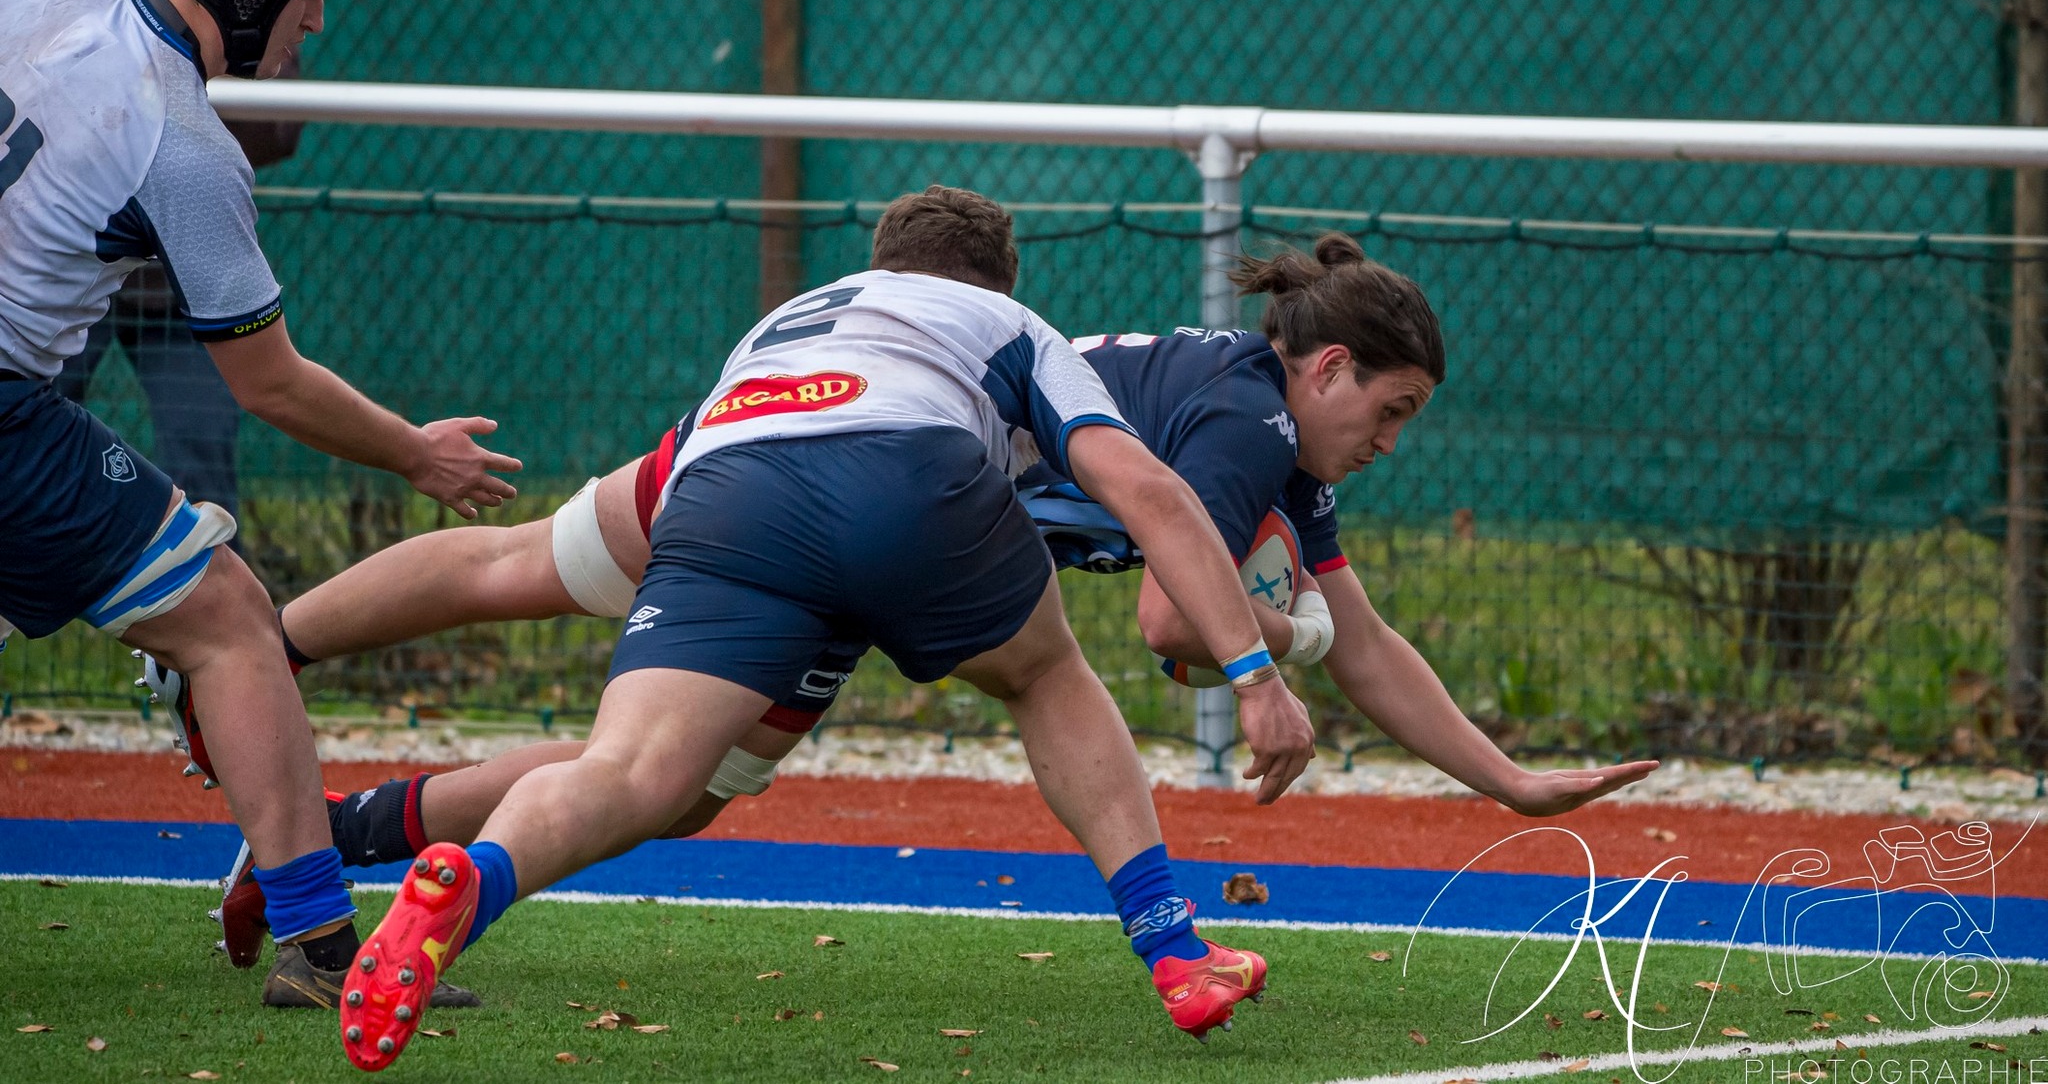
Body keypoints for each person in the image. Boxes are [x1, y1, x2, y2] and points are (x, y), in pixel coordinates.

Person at [204, 236, 1656, 970]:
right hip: (889, 504)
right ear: (1325, 369)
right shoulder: (1247, 422)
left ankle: (279, 707)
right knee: (673, 780)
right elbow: (1171, 618)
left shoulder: (1249, 424)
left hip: (751, 447)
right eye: (1389, 411)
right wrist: (1290, 638)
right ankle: (292, 749)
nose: (1387, 444)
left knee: (524, 575)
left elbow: (1374, 639)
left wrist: (1511, 781)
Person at [334, 186, 1315, 1069]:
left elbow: (714, 473)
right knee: (1043, 672)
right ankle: (1175, 949)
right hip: (906, 472)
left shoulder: (780, 325)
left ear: (880, 264)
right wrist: (1254, 677)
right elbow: (1142, 485)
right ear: (996, 279)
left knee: (632, 773)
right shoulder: (1009, 321)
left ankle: (479, 877)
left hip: (722, 491)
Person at [0, 0, 517, 1010]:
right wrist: (414, 452)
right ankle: (323, 949)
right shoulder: (183, 142)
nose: (318, 22)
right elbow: (270, 383)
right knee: (232, 617)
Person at [13, 0, 303, 529]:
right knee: (29, 431)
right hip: (64, 255)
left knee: (205, 461)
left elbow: (276, 126)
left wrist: (219, 33)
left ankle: (192, 629)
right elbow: (63, 91)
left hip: (182, 267)